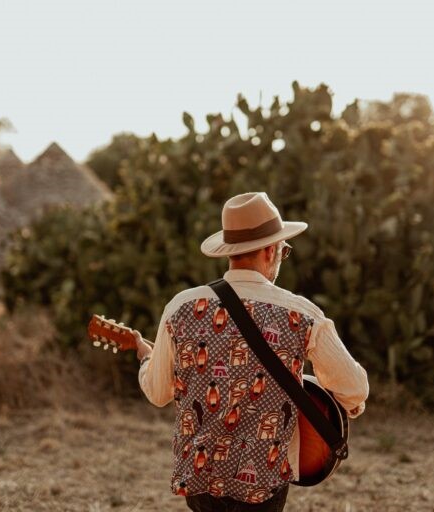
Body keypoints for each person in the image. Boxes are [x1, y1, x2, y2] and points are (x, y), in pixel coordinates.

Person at [135, 192, 369, 511]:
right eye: (284, 251)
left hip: (202, 477)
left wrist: (146, 358)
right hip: (265, 478)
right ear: (271, 250)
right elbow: (354, 388)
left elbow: (158, 392)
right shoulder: (302, 314)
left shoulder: (182, 306)